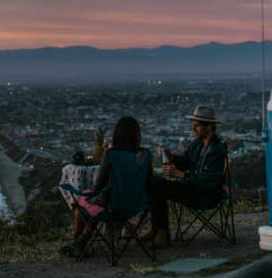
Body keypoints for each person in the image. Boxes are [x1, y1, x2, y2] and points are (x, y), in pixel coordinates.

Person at [59, 116, 153, 257]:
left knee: (84, 198)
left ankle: (78, 242)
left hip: (113, 208)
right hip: (137, 207)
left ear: (117, 135)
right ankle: (80, 242)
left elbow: (98, 186)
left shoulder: (110, 155)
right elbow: (148, 182)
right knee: (98, 202)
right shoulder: (146, 155)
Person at [141, 106, 228, 248]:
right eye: (193, 126)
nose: (193, 130)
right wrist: (172, 157)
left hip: (206, 194)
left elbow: (209, 180)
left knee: (157, 185)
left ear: (210, 126)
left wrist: (179, 175)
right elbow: (185, 162)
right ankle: (157, 228)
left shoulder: (217, 150)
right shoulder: (197, 144)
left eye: (197, 126)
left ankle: (163, 235)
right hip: (192, 188)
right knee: (152, 181)